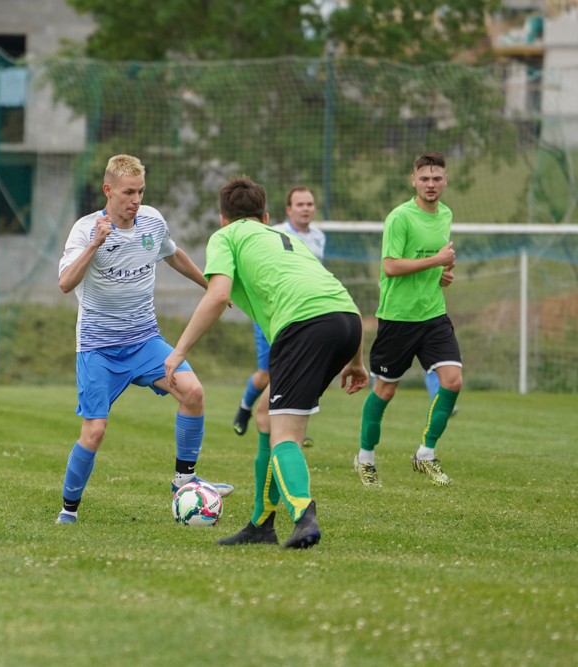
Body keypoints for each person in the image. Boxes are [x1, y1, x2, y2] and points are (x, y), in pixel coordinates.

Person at [164, 175, 368, 549]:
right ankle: (260, 524)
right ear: (266, 216)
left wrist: (179, 351)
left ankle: (304, 516)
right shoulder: (285, 239)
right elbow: (340, 298)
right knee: (264, 413)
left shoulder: (225, 236)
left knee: (285, 436)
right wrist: (356, 361)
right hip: (347, 321)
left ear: (223, 218)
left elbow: (217, 295)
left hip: (303, 326)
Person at [54, 154, 233, 525]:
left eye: (140, 192)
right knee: (94, 431)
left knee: (193, 392)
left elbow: (173, 254)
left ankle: (184, 480)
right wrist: (95, 245)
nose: (135, 200)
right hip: (99, 349)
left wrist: (209, 285)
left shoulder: (152, 221)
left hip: (144, 341)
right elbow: (65, 283)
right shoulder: (86, 230)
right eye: (128, 193)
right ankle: (68, 511)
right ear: (108, 190)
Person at [353, 151, 462, 489]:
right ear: (413, 180)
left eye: (437, 178)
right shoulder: (399, 217)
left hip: (434, 315)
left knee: (453, 381)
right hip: (398, 318)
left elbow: (437, 263)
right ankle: (365, 458)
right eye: (424, 178)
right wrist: (436, 261)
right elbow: (390, 266)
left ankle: (426, 454)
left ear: (445, 181)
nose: (431, 184)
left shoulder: (446, 214)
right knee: (385, 391)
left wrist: (442, 275)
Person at [233, 187, 325, 440]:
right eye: (300, 204)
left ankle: (290, 426)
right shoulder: (275, 233)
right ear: (288, 209)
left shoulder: (319, 237)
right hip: (273, 314)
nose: (306, 208)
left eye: (309, 204)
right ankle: (244, 408)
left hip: (303, 315)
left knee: (295, 371)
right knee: (266, 375)